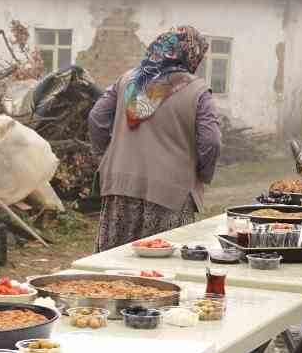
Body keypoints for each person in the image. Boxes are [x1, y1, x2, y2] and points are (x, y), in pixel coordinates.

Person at [87, 26, 222, 252]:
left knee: (111, 264)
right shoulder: (198, 92)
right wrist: (202, 174)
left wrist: (107, 154)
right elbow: (211, 142)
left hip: (120, 186)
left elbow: (96, 117)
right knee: (161, 269)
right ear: (192, 54)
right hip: (170, 192)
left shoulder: (128, 80)